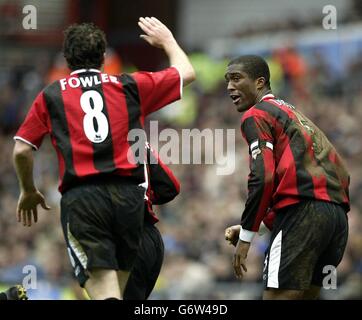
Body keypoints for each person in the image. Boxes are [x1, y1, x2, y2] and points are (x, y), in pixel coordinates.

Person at [13, 17, 195, 300]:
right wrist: (168, 41)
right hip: (129, 200)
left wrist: (27, 190)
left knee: (103, 295)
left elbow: (22, 149)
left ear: (66, 58)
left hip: (84, 199)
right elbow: (186, 73)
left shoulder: (50, 94)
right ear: (103, 57)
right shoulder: (130, 86)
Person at [224, 55, 350, 300]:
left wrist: (247, 237)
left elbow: (263, 177)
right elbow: (336, 173)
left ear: (260, 82)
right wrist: (258, 226)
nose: (230, 86)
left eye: (237, 78)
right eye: (228, 80)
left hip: (302, 214)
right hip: (336, 220)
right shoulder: (292, 114)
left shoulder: (257, 114)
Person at [124, 143, 180, 300]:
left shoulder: (98, 137)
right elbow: (170, 186)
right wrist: (145, 199)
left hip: (125, 236)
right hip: (151, 239)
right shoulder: (138, 140)